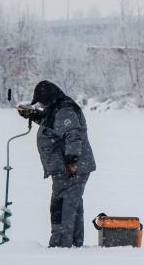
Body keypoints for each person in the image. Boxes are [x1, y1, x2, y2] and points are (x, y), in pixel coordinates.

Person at [17, 80, 96, 248]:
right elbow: (53, 124)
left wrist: (71, 161)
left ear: (49, 97)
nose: (41, 104)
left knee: (62, 206)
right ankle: (73, 243)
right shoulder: (57, 108)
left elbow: (73, 135)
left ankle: (61, 246)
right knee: (71, 205)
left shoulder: (65, 110)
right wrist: (34, 115)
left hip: (71, 169)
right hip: (66, 168)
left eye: (42, 101)